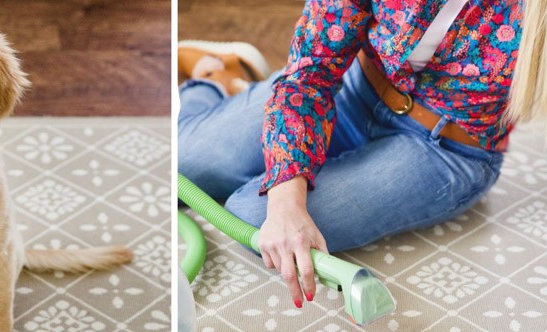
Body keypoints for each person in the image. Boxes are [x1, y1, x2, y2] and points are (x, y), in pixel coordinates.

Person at [178, 0, 528, 309]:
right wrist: (286, 197)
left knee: (251, 216)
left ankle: (234, 90)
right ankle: (218, 76)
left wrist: (285, 202)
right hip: (352, 85)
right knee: (182, 164)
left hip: (445, 150)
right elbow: (310, 74)